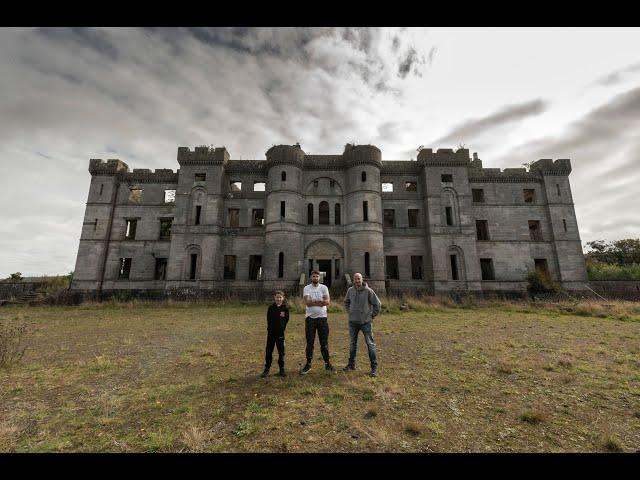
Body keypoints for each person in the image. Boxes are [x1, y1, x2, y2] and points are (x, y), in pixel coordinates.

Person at [343, 272, 381, 377]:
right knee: (352, 344)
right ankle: (351, 365)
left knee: (370, 344)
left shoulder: (368, 291)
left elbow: (377, 304)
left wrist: (372, 316)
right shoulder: (350, 290)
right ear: (353, 280)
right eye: (355, 279)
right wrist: (349, 311)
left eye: (359, 279)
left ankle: (374, 368)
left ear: (362, 279)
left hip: (365, 322)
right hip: (353, 322)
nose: (357, 281)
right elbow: (346, 302)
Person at [300, 270, 335, 374]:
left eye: (317, 276)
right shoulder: (307, 288)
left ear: (319, 278)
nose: (315, 278)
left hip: (322, 319)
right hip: (310, 319)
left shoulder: (324, 288)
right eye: (314, 276)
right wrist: (320, 301)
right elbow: (307, 303)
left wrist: (314, 301)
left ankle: (327, 363)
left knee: (324, 343)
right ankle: (308, 364)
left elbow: (327, 302)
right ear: (311, 277)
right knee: (310, 342)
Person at [261, 290, 289, 377]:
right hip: (271, 334)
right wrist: (270, 329)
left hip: (280, 334)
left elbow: (286, 320)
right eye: (277, 297)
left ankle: (282, 369)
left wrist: (281, 328)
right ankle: (267, 369)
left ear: (283, 298)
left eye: (280, 297)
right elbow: (268, 319)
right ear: (274, 297)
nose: (279, 299)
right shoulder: (271, 308)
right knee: (269, 351)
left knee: (281, 352)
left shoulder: (285, 309)